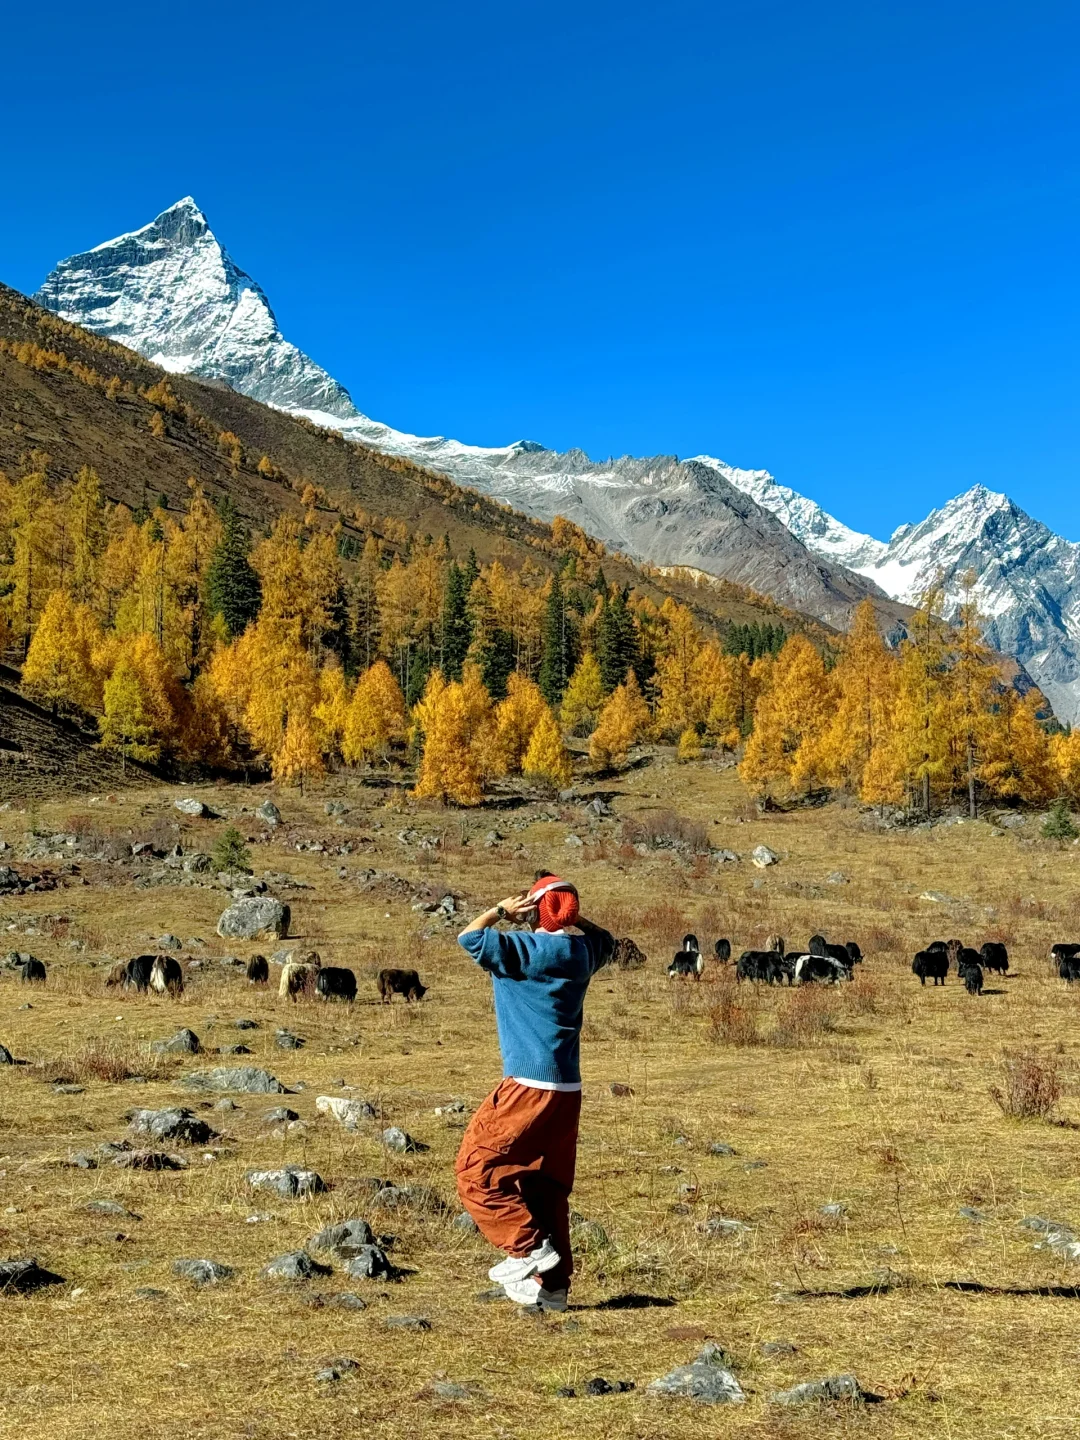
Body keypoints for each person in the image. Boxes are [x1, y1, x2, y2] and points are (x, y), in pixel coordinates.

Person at [454, 872, 614, 1311]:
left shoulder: (521, 949)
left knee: (476, 1171)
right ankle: (555, 1291)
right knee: (545, 1188)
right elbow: (608, 940)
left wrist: (501, 911)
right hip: (568, 1088)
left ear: (534, 912)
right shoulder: (583, 952)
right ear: (572, 912)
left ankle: (527, 1250)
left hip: (527, 1084)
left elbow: (469, 938)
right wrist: (578, 918)